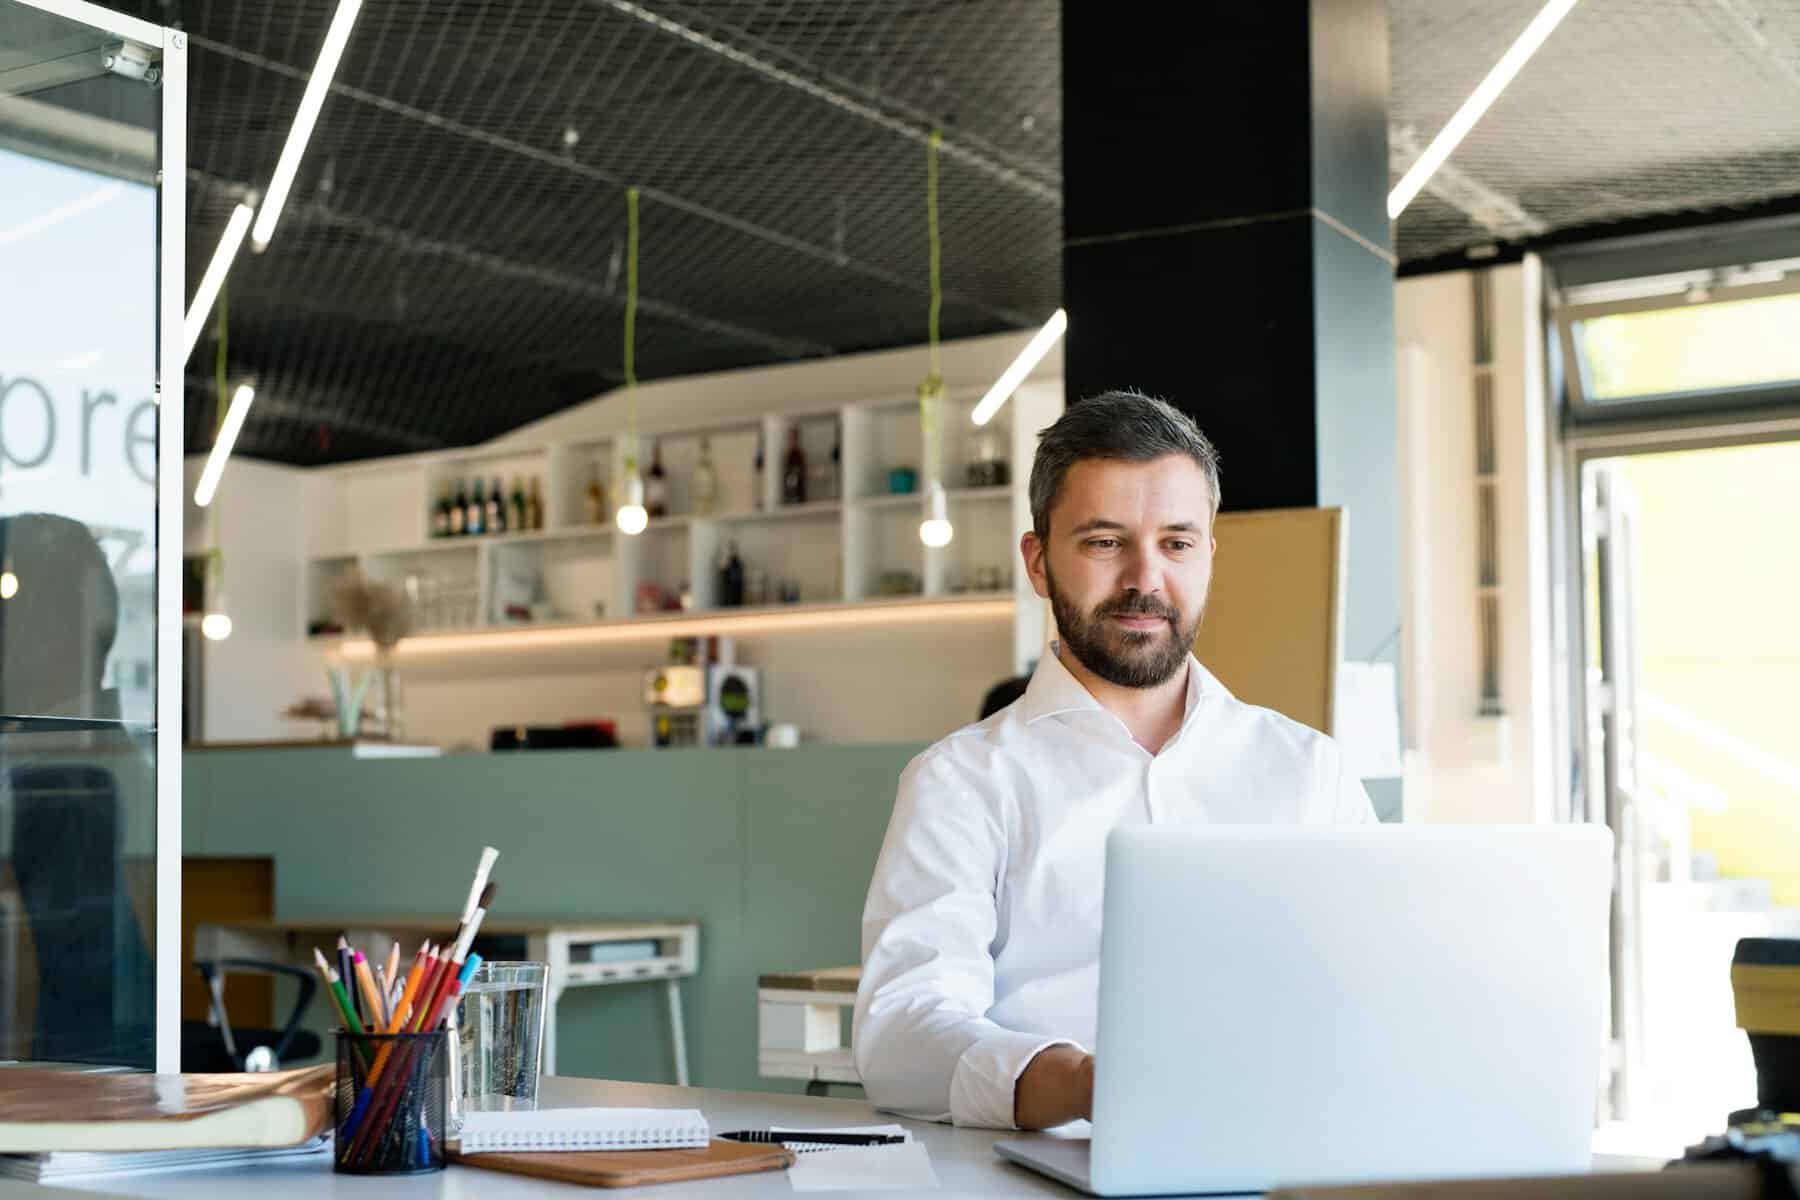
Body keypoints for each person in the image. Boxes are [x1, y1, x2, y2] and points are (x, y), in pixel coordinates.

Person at [853, 391, 1375, 1131]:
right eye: (1104, 541)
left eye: (1177, 543)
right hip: (1046, 1171)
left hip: (1281, 1155)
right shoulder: (962, 782)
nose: (1145, 579)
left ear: (1208, 557)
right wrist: (1086, 1084)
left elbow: (1374, 989)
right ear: (1039, 563)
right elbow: (902, 1037)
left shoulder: (1310, 771)